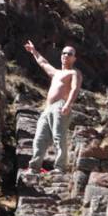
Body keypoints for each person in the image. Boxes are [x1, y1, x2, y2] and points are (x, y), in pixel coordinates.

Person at [24, 40, 82, 173]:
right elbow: (43, 62)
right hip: (47, 108)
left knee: (59, 137)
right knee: (39, 138)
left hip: (61, 106)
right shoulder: (56, 73)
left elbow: (74, 89)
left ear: (74, 58)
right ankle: (34, 167)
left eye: (69, 54)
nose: (66, 55)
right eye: (64, 53)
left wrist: (68, 104)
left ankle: (60, 167)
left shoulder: (74, 73)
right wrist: (33, 51)